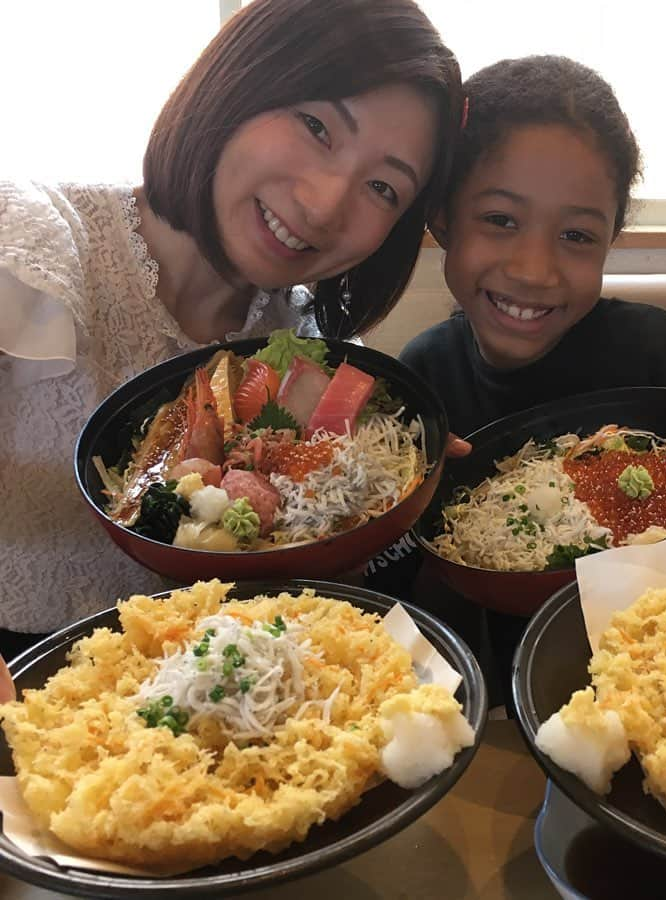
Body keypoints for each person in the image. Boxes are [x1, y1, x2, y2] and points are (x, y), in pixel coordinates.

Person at [368, 55, 666, 696]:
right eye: (500, 220)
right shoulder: (420, 387)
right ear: (441, 219)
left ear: (610, 240)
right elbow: (395, 595)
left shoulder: (663, 353)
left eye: (576, 235)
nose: (535, 269)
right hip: (516, 703)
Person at [0, 0, 462, 659]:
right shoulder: (30, 244)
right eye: (316, 126)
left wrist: (391, 493)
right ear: (239, 81)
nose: (325, 203)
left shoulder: (307, 345)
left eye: (384, 188)